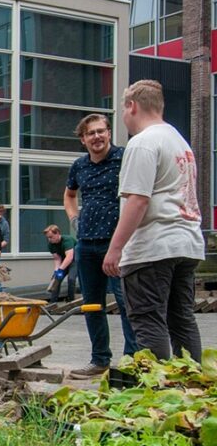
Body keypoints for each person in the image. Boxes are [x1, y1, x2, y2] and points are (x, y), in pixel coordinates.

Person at [104, 79, 205, 362]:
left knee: (148, 320)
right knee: (181, 319)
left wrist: (116, 249)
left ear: (132, 106)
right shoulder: (179, 141)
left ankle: (159, 394)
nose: (123, 118)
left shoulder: (143, 143)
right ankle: (193, 387)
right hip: (186, 244)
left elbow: (138, 200)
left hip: (153, 246)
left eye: (123, 111)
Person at [65, 113, 139, 379]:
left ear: (109, 133)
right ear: (83, 139)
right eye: (90, 133)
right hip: (86, 244)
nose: (97, 137)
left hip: (117, 242)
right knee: (92, 305)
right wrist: (74, 218)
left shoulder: (124, 158)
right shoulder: (79, 166)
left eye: (101, 131)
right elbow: (70, 193)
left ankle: (132, 363)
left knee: (125, 302)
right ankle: (99, 360)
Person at [42, 225, 77, 303]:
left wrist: (60, 269)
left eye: (51, 237)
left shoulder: (67, 240)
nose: (49, 239)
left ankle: (71, 301)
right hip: (64, 262)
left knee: (71, 279)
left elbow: (69, 257)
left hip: (75, 261)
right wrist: (56, 271)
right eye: (48, 237)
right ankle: (53, 302)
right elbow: (57, 259)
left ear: (57, 233)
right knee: (56, 279)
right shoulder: (51, 245)